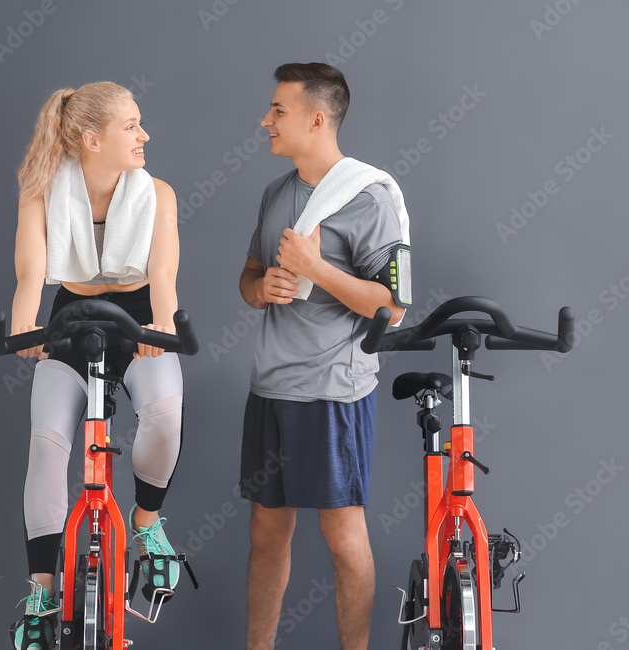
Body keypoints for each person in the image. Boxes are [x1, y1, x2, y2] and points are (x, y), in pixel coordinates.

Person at [238, 62, 411, 650]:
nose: (266, 120)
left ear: (316, 119)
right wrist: (260, 290)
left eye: (278, 111)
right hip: (272, 386)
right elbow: (250, 275)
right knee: (266, 531)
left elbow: (394, 306)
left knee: (342, 533)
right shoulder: (275, 193)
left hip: (333, 389)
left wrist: (316, 269)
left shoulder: (369, 198)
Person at [8, 81, 185, 650]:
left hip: (137, 315)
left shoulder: (158, 193)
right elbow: (31, 276)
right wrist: (24, 328)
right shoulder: (41, 193)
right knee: (47, 443)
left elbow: (164, 281)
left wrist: (162, 326)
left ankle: (147, 524)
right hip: (71, 315)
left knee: (163, 413)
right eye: (131, 125)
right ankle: (41, 591)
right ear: (91, 138)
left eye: (141, 123)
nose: (145, 134)